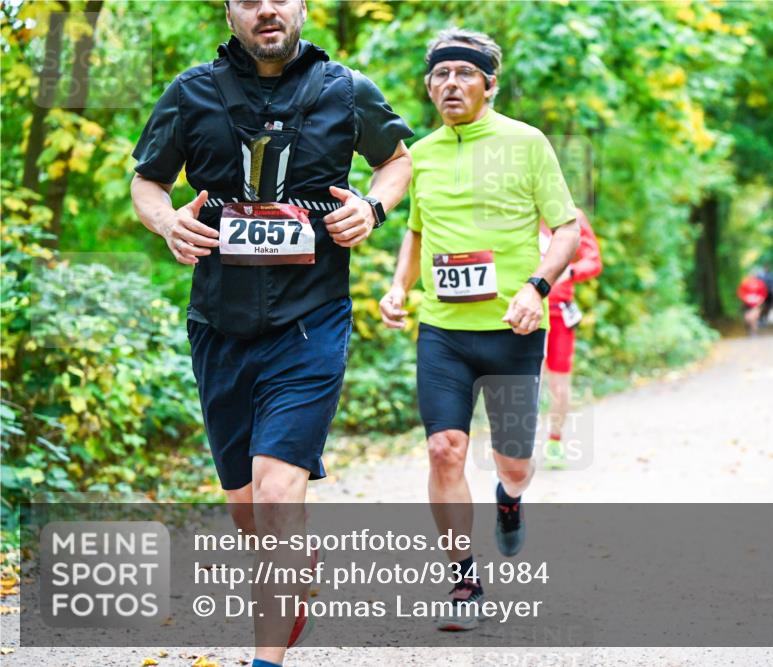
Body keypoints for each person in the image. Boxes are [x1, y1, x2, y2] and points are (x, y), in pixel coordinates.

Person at [130, 0, 413, 663]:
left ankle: (265, 658)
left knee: (278, 487)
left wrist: (372, 209)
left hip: (310, 321)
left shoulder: (346, 89)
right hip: (219, 325)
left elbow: (397, 160)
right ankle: (296, 560)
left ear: (303, 7)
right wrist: (167, 221)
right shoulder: (191, 91)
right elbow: (147, 182)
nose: (267, 10)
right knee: (249, 509)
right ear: (229, 11)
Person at [378, 28, 579, 631]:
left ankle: (510, 500)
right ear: (428, 86)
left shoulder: (527, 143)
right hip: (443, 330)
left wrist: (534, 288)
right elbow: (415, 230)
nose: (451, 84)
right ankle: (463, 577)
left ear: (489, 85)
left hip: (513, 329)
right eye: (440, 75)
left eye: (465, 74)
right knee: (445, 449)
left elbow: (565, 230)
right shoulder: (421, 155)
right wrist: (399, 287)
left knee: (512, 463)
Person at [539, 209, 602, 469]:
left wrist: (572, 272)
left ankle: (555, 440)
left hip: (558, 312)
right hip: (521, 311)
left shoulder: (570, 214)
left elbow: (594, 260)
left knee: (559, 385)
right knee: (524, 380)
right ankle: (515, 444)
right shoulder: (516, 210)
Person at [737, 270, 769, 336]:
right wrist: (745, 298)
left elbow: (764, 293)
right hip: (746, 304)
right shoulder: (745, 283)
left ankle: (754, 332)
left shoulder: (760, 284)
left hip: (756, 304)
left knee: (754, 318)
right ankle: (749, 328)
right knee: (747, 318)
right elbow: (740, 293)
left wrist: (760, 300)